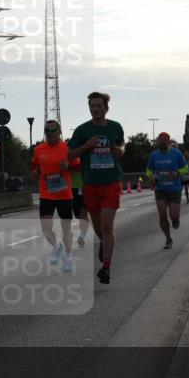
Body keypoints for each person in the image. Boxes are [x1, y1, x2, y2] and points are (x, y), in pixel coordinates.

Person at [67, 92, 125, 285]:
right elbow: (70, 154)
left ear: (106, 108)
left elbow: (122, 146)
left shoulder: (115, 127)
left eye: (99, 105)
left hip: (111, 182)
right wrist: (86, 146)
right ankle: (103, 244)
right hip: (90, 185)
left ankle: (106, 267)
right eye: (92, 106)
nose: (96, 109)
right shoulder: (82, 130)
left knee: (108, 226)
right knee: (99, 227)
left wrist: (120, 151)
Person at [30, 120, 78, 273]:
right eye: (47, 130)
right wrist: (34, 172)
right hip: (46, 193)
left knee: (66, 229)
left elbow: (78, 165)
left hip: (64, 194)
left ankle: (68, 258)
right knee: (45, 227)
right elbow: (34, 165)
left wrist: (68, 166)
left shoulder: (67, 148)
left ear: (59, 132)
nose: (50, 133)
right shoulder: (39, 149)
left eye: (53, 130)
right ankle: (57, 247)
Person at [147, 133, 187, 249]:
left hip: (174, 189)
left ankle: (175, 220)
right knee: (162, 214)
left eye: (164, 140)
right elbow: (149, 170)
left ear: (169, 141)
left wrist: (178, 173)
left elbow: (186, 168)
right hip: (160, 189)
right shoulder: (154, 155)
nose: (162, 142)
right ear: (157, 141)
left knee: (173, 216)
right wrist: (151, 177)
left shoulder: (176, 154)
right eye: (160, 140)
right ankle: (168, 239)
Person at [70, 159, 90, 249]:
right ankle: (83, 234)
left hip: (85, 187)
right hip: (73, 188)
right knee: (78, 216)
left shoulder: (86, 154)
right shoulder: (70, 155)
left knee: (84, 213)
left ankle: (82, 237)